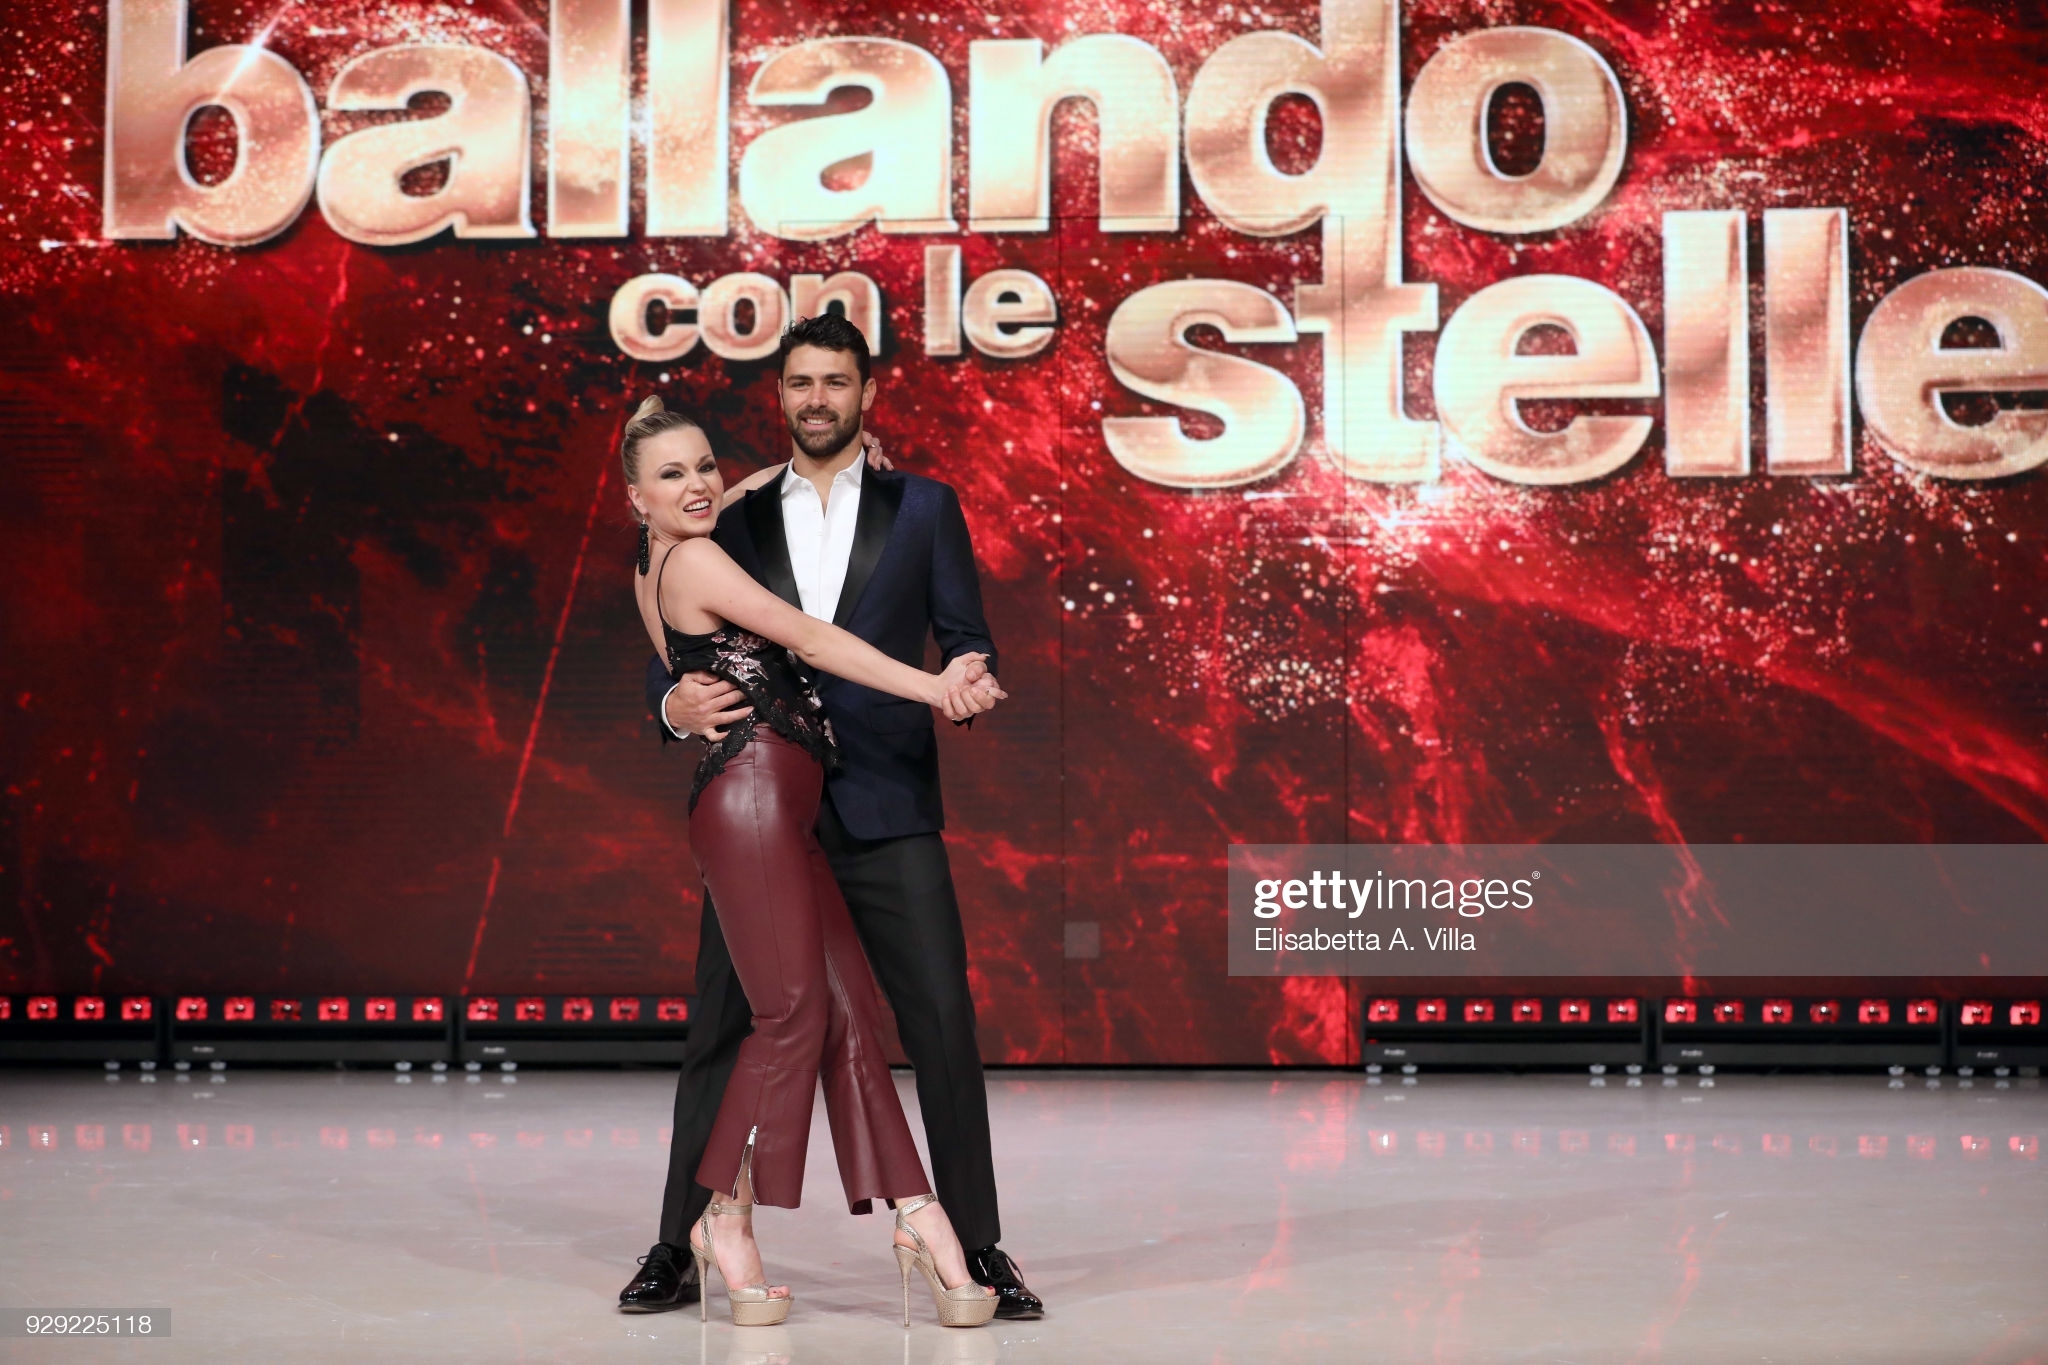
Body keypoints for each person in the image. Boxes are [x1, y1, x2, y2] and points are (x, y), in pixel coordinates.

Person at [617, 314, 1044, 1320]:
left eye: (835, 382)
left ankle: (976, 1245)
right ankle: (679, 1242)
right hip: (765, 805)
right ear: (780, 394)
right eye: (800, 382)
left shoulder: (923, 505)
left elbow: (967, 635)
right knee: (725, 1026)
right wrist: (669, 706)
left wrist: (967, 673)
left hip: (885, 798)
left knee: (937, 1022)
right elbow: (676, 634)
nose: (817, 398)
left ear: (866, 392)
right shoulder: (723, 516)